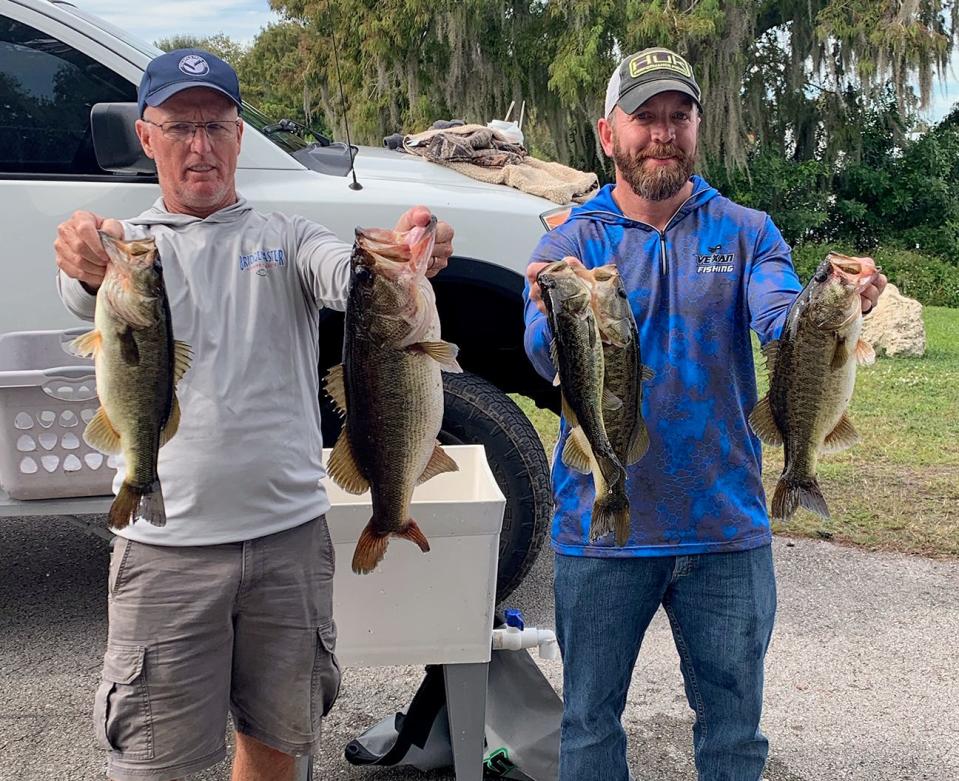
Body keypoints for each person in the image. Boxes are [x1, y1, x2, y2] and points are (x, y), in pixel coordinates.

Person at [54, 49, 453, 781]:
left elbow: (346, 278)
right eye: (179, 125)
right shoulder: (127, 251)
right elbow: (84, 288)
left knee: (278, 746)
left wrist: (410, 255)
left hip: (287, 545)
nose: (199, 146)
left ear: (240, 136)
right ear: (147, 136)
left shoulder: (289, 236)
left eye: (216, 125)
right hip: (165, 548)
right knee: (153, 763)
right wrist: (83, 254)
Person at [523, 47, 886, 781]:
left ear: (697, 127)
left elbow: (779, 317)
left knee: (733, 735)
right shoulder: (570, 241)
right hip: (599, 526)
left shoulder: (747, 231)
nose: (662, 133)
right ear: (607, 133)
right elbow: (540, 355)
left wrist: (835, 305)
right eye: (644, 118)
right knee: (588, 726)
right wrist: (548, 313)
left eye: (677, 116)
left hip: (723, 525)